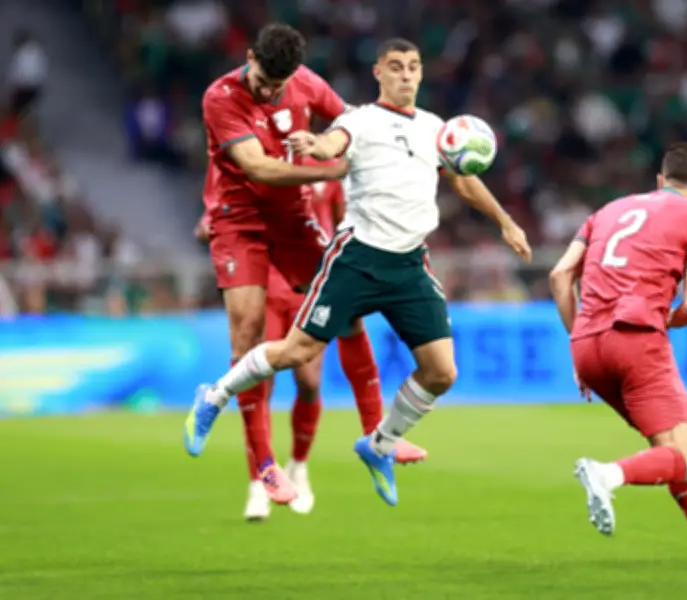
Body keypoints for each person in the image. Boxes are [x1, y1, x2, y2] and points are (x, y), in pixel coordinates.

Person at [184, 38, 532, 507]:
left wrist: (505, 222)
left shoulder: (436, 129)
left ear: (423, 73)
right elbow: (333, 141)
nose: (406, 75)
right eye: (396, 67)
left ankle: (378, 443)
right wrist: (317, 147)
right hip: (356, 258)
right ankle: (216, 398)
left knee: (442, 372)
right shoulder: (360, 118)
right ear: (378, 73)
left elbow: (463, 180)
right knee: (293, 351)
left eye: (413, 67)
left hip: (409, 263)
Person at [184, 23, 400, 508]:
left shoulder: (305, 82)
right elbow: (259, 167)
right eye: (262, 81)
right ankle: (264, 466)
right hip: (238, 221)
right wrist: (332, 167)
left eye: (277, 87)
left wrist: (355, 144)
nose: (267, 92)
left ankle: (376, 440)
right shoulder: (220, 96)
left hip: (294, 218)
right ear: (249, 57)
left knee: (348, 312)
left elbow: (351, 124)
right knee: (248, 333)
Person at [548, 142, 687, 570]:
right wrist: (659, 320)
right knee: (682, 459)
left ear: (660, 181)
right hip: (636, 338)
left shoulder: (607, 210)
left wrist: (581, 341)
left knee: (670, 450)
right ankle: (605, 474)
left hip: (587, 345)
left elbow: (559, 276)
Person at [197, 166, 429, 520]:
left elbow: (342, 226)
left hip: (311, 284)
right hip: (268, 286)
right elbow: (219, 218)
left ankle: (299, 467)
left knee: (309, 383)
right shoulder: (258, 167)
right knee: (259, 383)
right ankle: (258, 483)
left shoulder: (329, 174)